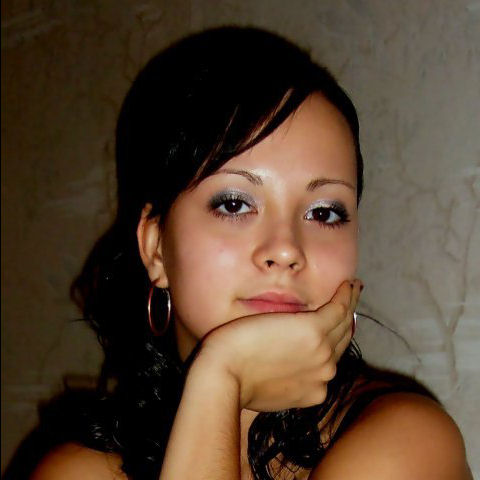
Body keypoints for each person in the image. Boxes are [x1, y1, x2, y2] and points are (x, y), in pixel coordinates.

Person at [28, 27, 471, 479]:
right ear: (156, 247)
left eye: (323, 213)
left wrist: (221, 376)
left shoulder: (407, 445)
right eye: (235, 204)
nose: (286, 249)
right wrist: (218, 386)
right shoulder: (76, 471)